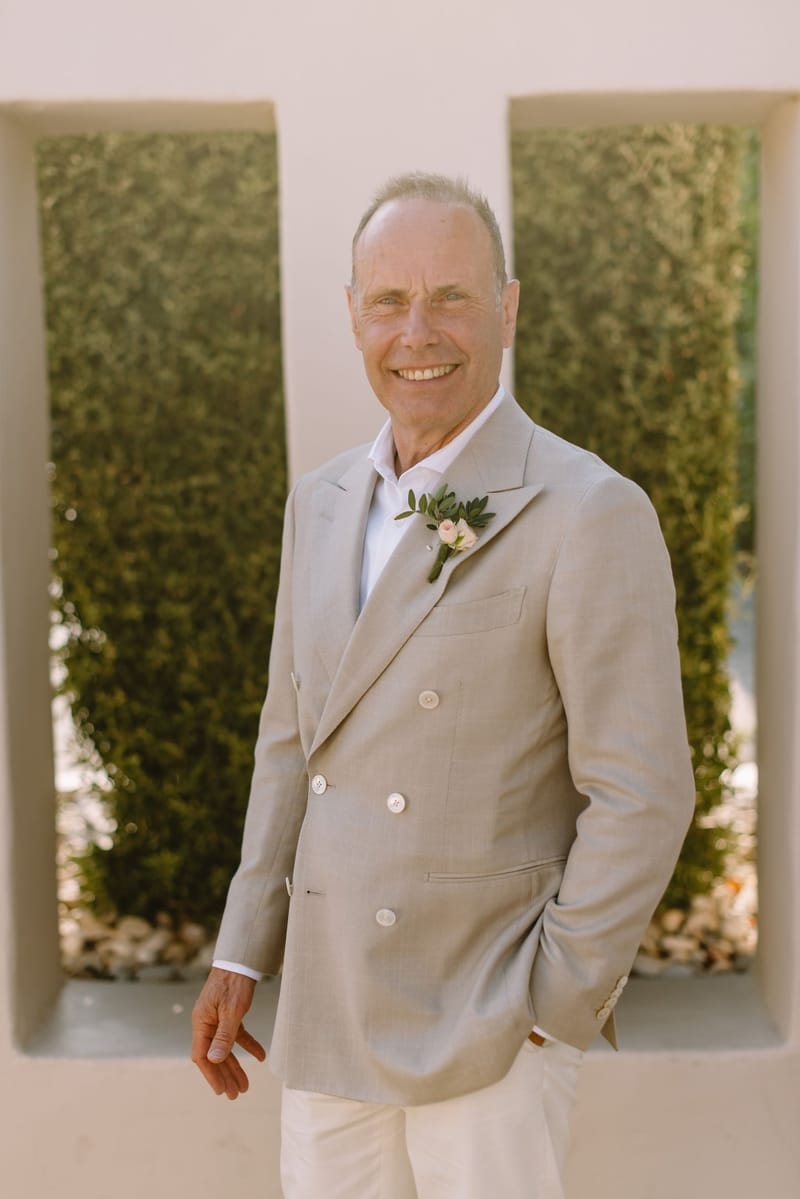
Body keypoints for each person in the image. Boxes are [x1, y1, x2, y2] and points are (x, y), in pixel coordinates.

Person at [192, 172, 695, 1198]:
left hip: (486, 1010)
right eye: (388, 300)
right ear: (353, 316)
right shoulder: (320, 499)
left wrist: (553, 1004)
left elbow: (642, 791)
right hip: (330, 1002)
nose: (417, 330)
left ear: (506, 309)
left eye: (451, 296)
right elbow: (291, 738)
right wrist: (244, 949)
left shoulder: (586, 508)